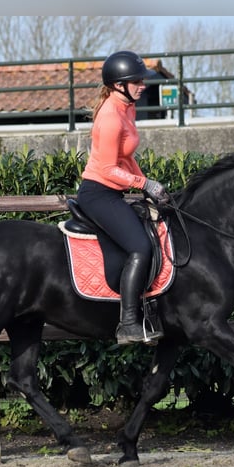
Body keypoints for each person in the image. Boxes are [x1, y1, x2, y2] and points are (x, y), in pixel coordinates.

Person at [77, 50, 170, 345]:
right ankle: (128, 323)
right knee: (140, 247)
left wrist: (149, 186)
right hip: (98, 194)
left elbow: (125, 158)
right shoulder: (110, 118)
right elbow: (107, 168)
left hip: (113, 191)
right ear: (119, 85)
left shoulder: (126, 108)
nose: (143, 85)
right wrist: (144, 184)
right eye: (137, 81)